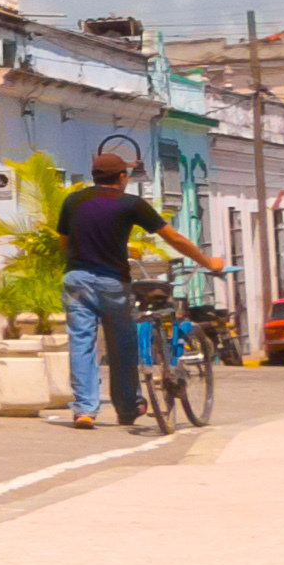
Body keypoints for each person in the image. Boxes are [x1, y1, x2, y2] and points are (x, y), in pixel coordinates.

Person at [58, 147, 223, 428]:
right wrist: (207, 261)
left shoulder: (73, 201)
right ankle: (127, 407)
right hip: (112, 281)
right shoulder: (131, 203)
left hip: (77, 279)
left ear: (95, 176)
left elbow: (65, 241)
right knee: (122, 344)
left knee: (81, 344)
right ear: (122, 176)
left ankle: (84, 410)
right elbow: (173, 237)